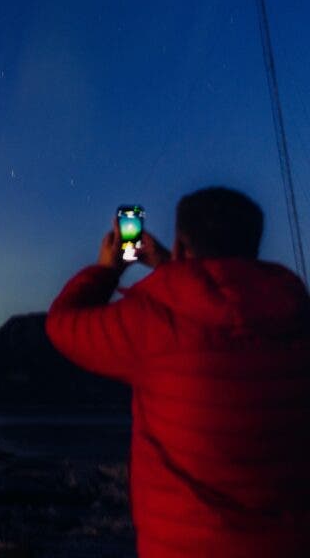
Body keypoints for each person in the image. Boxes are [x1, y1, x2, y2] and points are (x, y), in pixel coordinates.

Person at [46, 187, 310, 557]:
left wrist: (107, 271)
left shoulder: (155, 324)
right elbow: (225, 300)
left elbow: (63, 326)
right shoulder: (297, 317)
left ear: (183, 246)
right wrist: (175, 265)